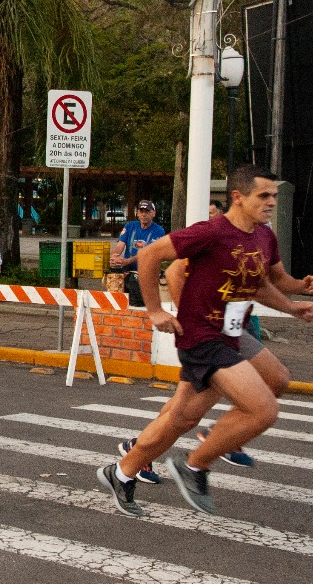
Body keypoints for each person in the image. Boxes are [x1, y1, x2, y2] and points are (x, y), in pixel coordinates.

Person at [98, 165, 313, 518]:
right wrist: (155, 310)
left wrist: (296, 298)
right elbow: (153, 257)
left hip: (232, 335)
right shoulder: (211, 232)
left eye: (274, 195)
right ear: (238, 198)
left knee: (185, 417)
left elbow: (267, 281)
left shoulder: (263, 236)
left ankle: (121, 472)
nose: (272, 202)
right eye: (264, 195)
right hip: (201, 336)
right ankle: (195, 465)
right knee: (263, 410)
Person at [110, 200, 166, 306]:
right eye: (141, 211)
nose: (143, 214)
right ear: (137, 213)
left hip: (146, 269)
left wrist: (127, 261)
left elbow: (148, 253)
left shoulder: (159, 231)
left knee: (136, 293)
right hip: (127, 266)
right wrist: (115, 257)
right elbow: (120, 245)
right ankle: (114, 307)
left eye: (147, 211)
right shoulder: (130, 226)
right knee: (113, 274)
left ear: (154, 213)